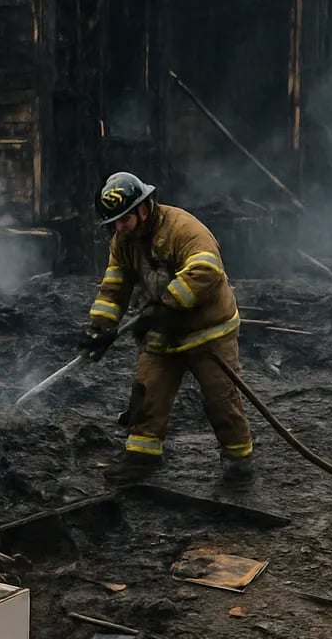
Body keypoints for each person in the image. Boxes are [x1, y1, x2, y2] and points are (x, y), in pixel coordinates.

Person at [80, 172, 253, 486]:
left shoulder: (183, 229)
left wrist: (166, 305)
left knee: (221, 399)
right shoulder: (123, 241)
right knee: (148, 392)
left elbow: (207, 270)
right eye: (114, 223)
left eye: (124, 219)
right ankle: (141, 458)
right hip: (161, 328)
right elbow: (114, 288)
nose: (119, 228)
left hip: (207, 330)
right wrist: (100, 328)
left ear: (144, 209)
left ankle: (239, 463)